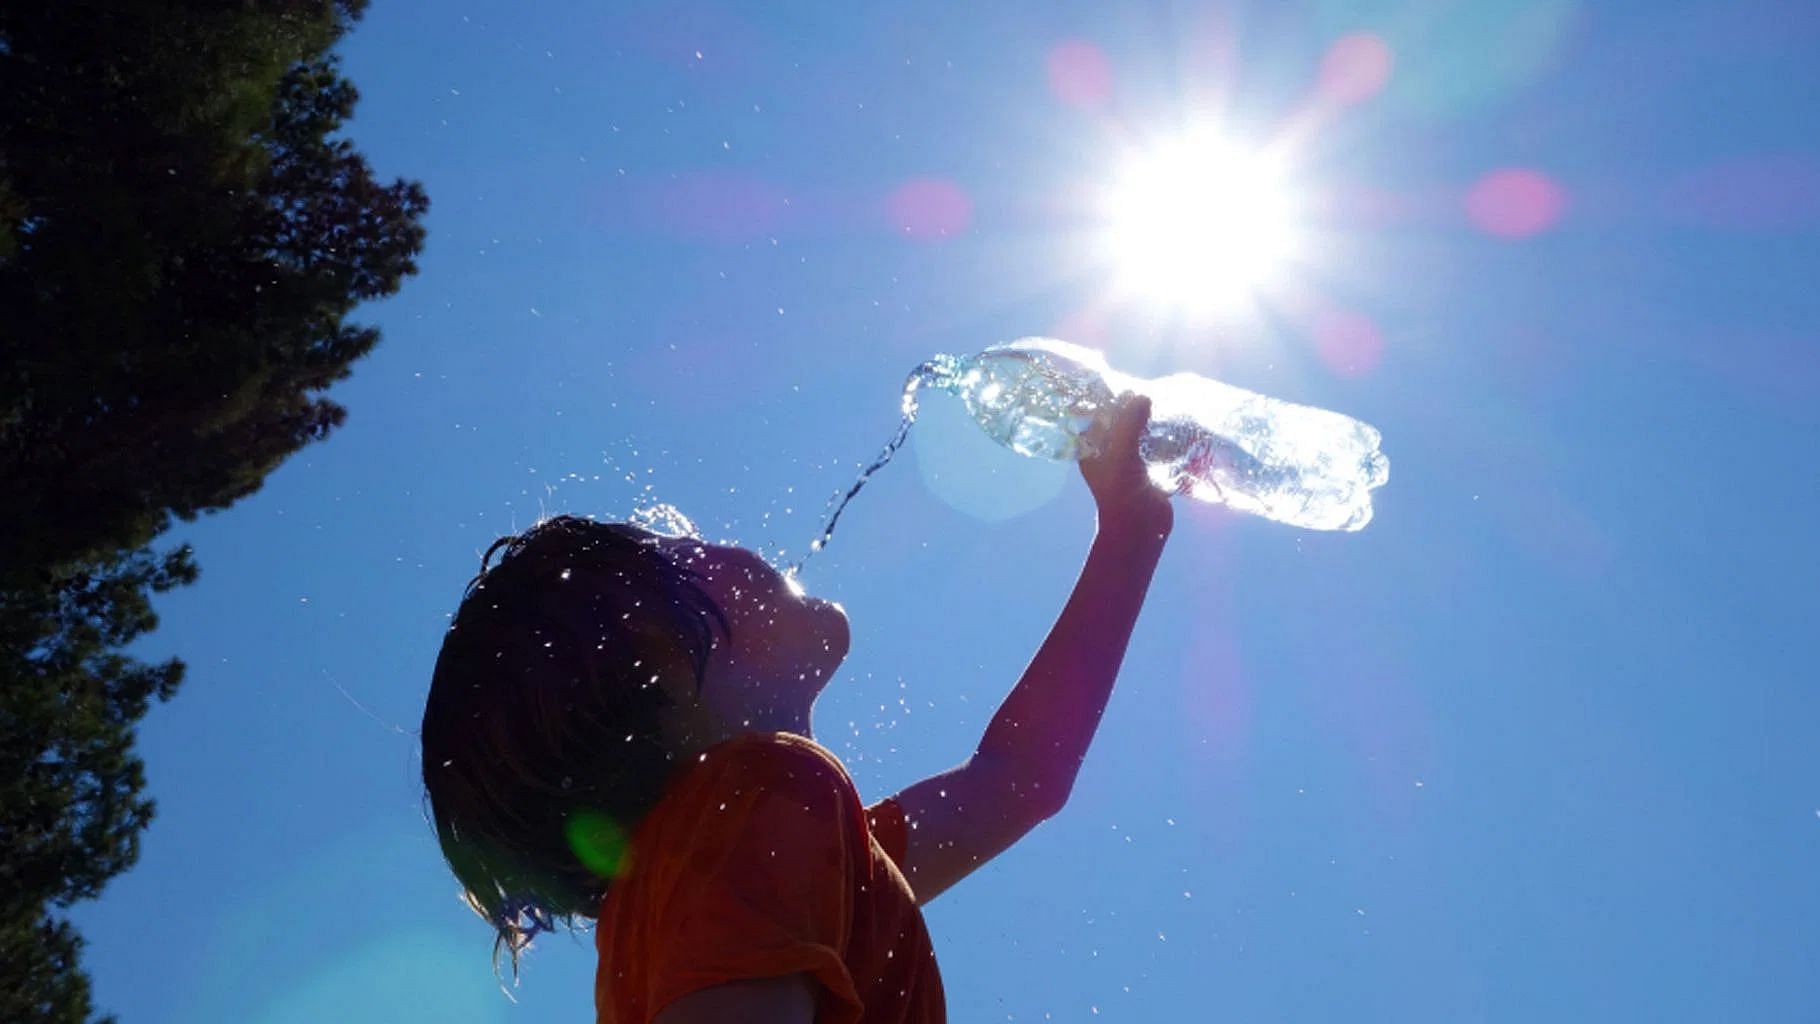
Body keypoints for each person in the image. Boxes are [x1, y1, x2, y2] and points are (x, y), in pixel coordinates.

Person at [420, 394, 1173, 1023]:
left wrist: (1131, 533)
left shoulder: (759, 855)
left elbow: (1019, 777)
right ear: (660, 669)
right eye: (680, 550)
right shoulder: (753, 799)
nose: (714, 541)